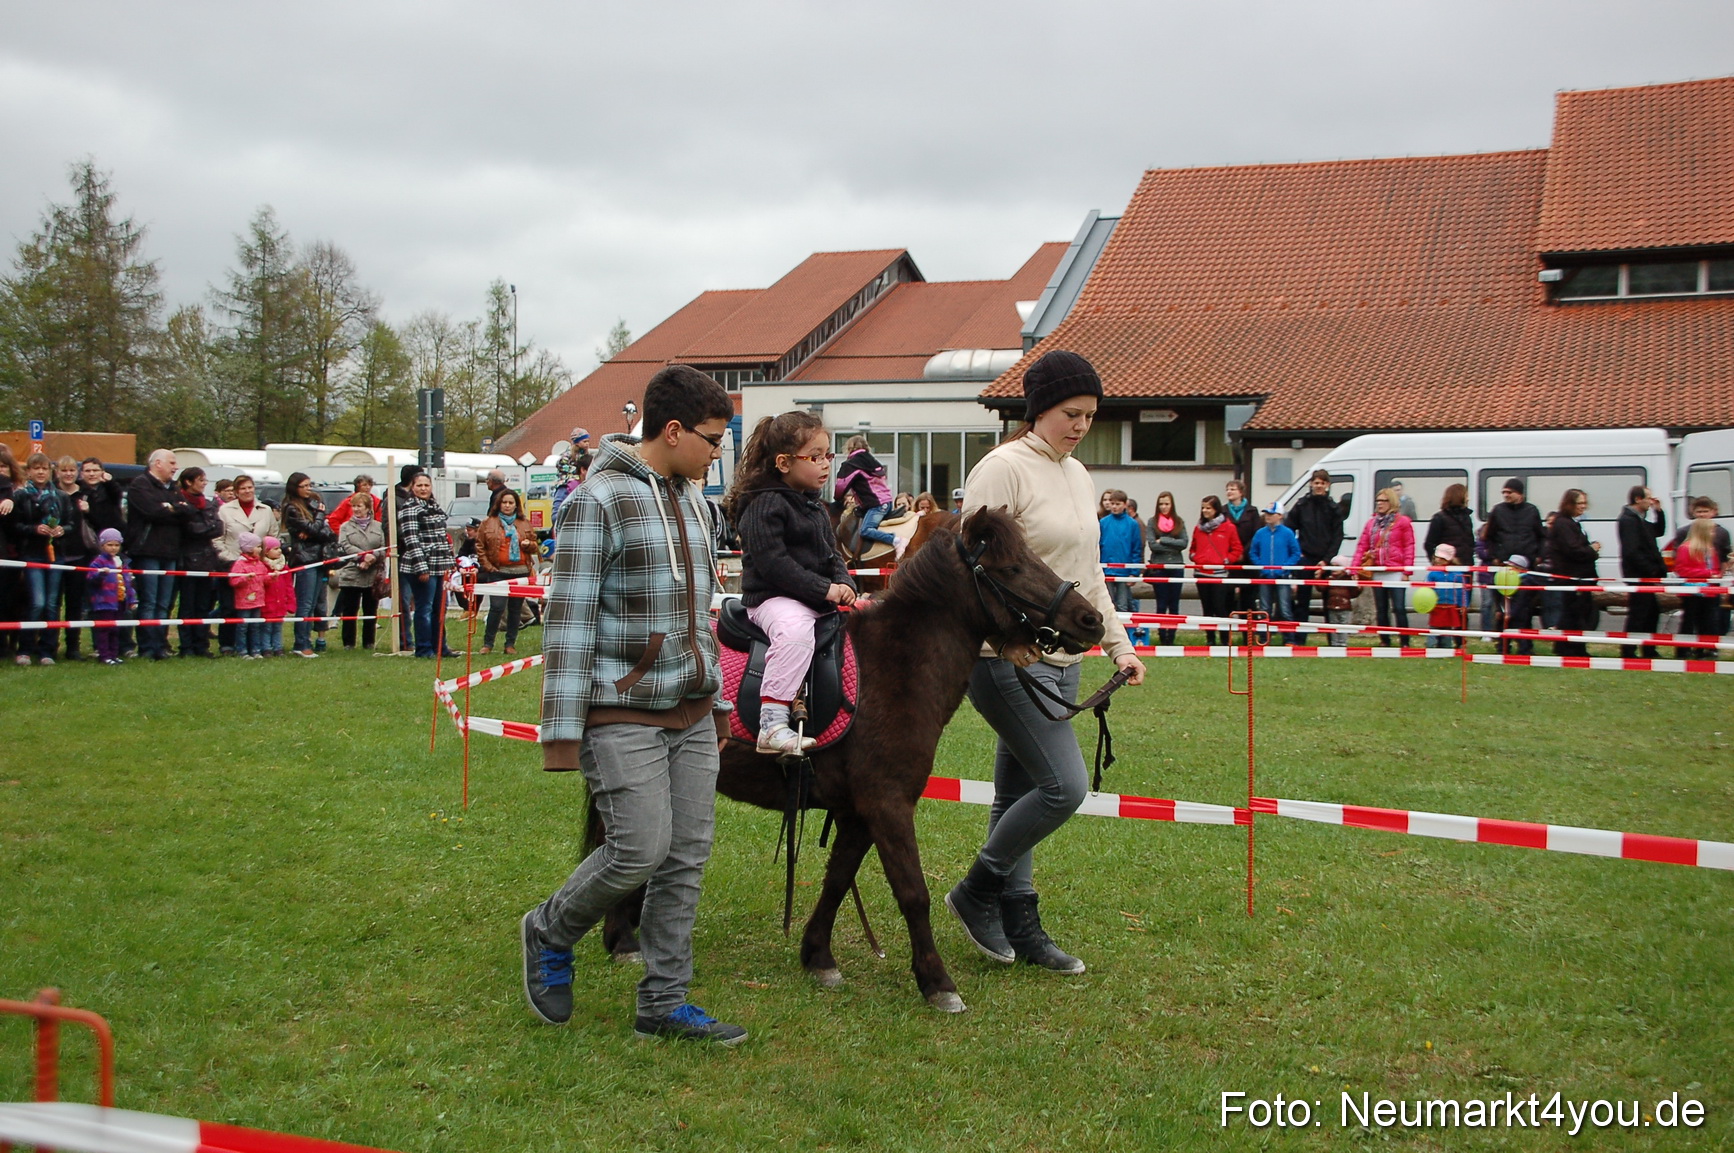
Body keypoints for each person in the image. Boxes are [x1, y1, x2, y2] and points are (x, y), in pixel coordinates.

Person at [524, 364, 744, 1044]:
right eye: (712, 439)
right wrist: (562, 734)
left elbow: (700, 614)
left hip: (693, 710)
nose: (718, 453)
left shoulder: (695, 503)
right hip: (619, 710)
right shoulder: (598, 501)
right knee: (637, 849)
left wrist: (717, 706)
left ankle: (663, 1002)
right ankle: (549, 928)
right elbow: (568, 622)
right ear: (672, 430)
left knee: (685, 855)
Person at [946, 349, 1145, 976]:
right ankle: (978, 890)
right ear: (1038, 409)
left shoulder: (1079, 474)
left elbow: (1089, 575)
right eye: (1070, 412)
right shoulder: (1001, 470)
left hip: (1064, 656)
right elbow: (963, 569)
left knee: (1020, 791)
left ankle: (1020, 920)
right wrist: (1002, 643)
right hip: (1003, 658)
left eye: (1090, 414)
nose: (1081, 424)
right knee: (1064, 788)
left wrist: (1119, 644)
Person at [728, 411, 858, 754]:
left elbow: (833, 554)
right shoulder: (763, 503)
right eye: (814, 457)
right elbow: (775, 565)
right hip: (773, 598)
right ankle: (771, 724)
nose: (825, 464)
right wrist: (824, 590)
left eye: (827, 455)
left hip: (811, 597)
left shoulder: (814, 508)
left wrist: (845, 584)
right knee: (795, 632)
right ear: (784, 462)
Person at [125, 449, 193, 660]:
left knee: (165, 603)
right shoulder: (140, 485)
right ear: (157, 463)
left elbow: (188, 512)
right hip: (147, 551)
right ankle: (147, 647)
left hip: (170, 551)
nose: (175, 467)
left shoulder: (173, 488)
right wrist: (173, 510)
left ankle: (160, 645)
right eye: (172, 462)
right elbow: (152, 512)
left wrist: (172, 509)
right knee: (149, 601)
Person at [8, 453, 68, 665]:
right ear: (29, 472)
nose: (41, 472)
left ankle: (47, 650)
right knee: (37, 602)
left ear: (50, 471)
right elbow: (14, 526)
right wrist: (35, 529)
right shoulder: (21, 496)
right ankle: (25, 648)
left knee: (52, 604)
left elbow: (71, 524)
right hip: (32, 554)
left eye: (44, 468)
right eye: (36, 468)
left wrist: (62, 529)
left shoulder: (61, 496)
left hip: (56, 555)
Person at [216, 475, 278, 656]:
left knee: (255, 606)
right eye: (242, 488)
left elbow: (272, 536)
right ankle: (227, 644)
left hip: (258, 565)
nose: (247, 491)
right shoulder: (225, 510)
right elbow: (217, 538)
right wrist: (230, 557)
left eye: (250, 487)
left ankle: (254, 647)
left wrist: (265, 558)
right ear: (235, 492)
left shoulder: (265, 510)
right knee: (228, 606)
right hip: (232, 562)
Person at [397, 473, 455, 658]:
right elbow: (411, 540)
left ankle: (440, 646)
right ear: (412, 488)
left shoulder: (435, 506)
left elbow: (442, 536)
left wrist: (450, 563)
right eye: (419, 485)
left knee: (440, 608)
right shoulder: (409, 509)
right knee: (425, 608)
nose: (423, 489)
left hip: (440, 564)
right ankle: (423, 648)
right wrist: (421, 568)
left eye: (426, 485)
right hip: (420, 565)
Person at [280, 473, 335, 657]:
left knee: (314, 604)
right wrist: (318, 518)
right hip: (304, 558)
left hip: (319, 556)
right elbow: (312, 528)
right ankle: (300, 643)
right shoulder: (291, 508)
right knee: (305, 603)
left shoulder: (310, 504)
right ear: (295, 487)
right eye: (304, 486)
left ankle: (307, 640)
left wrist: (314, 528)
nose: (308, 489)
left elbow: (326, 532)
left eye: (309, 485)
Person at [1287, 469, 1345, 640]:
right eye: (1316, 482)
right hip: (1305, 558)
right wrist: (1298, 552)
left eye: (1322, 483)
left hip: (1325, 561)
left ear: (1327, 485)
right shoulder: (1301, 505)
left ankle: (1332, 641)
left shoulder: (1334, 508)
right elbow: (1289, 529)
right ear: (1311, 484)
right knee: (1302, 602)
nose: (1318, 486)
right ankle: (1299, 641)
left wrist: (1326, 561)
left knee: (1330, 602)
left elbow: (1338, 536)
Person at [1482, 477, 1544, 637]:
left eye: (1509, 492)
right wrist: (1495, 555)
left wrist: (1538, 556)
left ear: (1520, 493)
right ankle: (1502, 642)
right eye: (1504, 492)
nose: (1506, 495)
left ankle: (1525, 642)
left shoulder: (1532, 511)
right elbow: (1488, 536)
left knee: (1525, 607)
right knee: (1503, 608)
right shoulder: (1498, 510)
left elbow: (1540, 536)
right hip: (1504, 566)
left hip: (1525, 567)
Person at [1352, 488, 1415, 645]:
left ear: (1392, 502)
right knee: (1381, 608)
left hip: (1395, 570)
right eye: (1378, 501)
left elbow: (1409, 546)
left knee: (1399, 608)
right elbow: (1362, 546)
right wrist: (1354, 567)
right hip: (1377, 570)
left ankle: (1404, 641)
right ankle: (1385, 640)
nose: (1379, 504)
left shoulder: (1403, 522)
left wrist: (1407, 570)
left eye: (1383, 501)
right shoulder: (1371, 523)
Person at [477, 489, 535, 654]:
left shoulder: (524, 523)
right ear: (498, 504)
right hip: (498, 571)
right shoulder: (488, 523)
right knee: (497, 607)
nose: (507, 506)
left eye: (511, 503)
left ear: (516, 505)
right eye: (504, 502)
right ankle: (488, 643)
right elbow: (480, 547)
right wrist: (488, 567)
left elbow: (534, 546)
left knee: (516, 609)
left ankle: (510, 644)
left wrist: (527, 545)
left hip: (520, 572)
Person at [176, 467, 224, 659]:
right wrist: (206, 527)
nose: (204, 483)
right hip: (187, 559)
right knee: (188, 605)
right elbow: (190, 529)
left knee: (204, 605)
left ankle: (201, 645)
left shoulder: (209, 504)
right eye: (201, 480)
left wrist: (205, 527)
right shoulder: (181, 502)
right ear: (189, 482)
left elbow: (218, 527)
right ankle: (186, 646)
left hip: (207, 560)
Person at [1546, 489, 1600, 656]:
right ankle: (1570, 649)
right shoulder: (1564, 524)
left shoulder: (1571, 523)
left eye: (1585, 503)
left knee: (1578, 615)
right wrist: (1592, 550)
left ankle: (1573, 648)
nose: (1583, 507)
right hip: (1571, 578)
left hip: (1578, 578)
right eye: (1580, 503)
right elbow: (1574, 551)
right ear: (1570, 504)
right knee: (1572, 616)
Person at [48, 457, 92, 661]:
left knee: (75, 604)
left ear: (77, 472)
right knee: (53, 603)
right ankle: (50, 645)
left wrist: (89, 511)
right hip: (54, 553)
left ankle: (73, 646)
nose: (68, 474)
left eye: (72, 470)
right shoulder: (50, 494)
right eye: (64, 470)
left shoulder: (86, 493)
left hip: (80, 554)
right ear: (57, 472)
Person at [1616, 485, 1666, 659]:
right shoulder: (1628, 520)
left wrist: (1658, 512)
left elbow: (1658, 531)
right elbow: (1632, 550)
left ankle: (1648, 648)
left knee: (1651, 611)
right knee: (1639, 613)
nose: (1650, 501)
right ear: (1638, 499)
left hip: (1646, 574)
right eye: (1648, 498)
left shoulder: (1640, 519)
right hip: (1638, 574)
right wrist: (1649, 569)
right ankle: (1629, 649)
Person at [333, 491, 386, 650]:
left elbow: (383, 548)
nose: (356, 509)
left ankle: (369, 642)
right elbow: (344, 546)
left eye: (359, 506)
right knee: (350, 610)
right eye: (353, 506)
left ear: (368, 508)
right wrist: (362, 558)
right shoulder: (345, 527)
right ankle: (348, 643)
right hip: (351, 572)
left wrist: (372, 557)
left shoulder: (379, 527)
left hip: (373, 574)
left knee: (370, 609)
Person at [833, 435, 899, 558]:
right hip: (887, 502)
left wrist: (837, 498)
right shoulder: (873, 462)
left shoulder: (852, 464)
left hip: (876, 505)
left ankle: (895, 540)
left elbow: (841, 487)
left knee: (865, 530)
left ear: (849, 448)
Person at [1191, 495, 1243, 645]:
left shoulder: (1228, 527)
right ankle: (1210, 640)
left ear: (1216, 509)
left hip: (1219, 575)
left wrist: (1226, 560)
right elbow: (1193, 547)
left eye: (1208, 508)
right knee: (1207, 610)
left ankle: (1225, 640)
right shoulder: (1198, 528)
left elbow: (1237, 549)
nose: (1205, 511)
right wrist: (1195, 557)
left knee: (1220, 608)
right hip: (1201, 573)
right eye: (1203, 508)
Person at [1672, 519, 1724, 659]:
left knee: (1707, 622)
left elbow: (1714, 568)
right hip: (1692, 591)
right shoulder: (1685, 548)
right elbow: (1681, 570)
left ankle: (1703, 649)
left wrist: (1716, 575)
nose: (1714, 534)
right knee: (1688, 621)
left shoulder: (1711, 549)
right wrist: (1707, 574)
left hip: (1709, 591)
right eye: (1711, 531)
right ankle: (1683, 650)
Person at [86, 528, 135, 665]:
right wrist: (101, 574)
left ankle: (114, 654)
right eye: (110, 545)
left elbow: (128, 582)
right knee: (105, 630)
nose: (113, 548)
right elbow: (91, 579)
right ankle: (104, 655)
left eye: (116, 545)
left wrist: (132, 598)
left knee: (116, 629)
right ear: (102, 545)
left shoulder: (121, 562)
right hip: (104, 602)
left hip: (120, 601)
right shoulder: (99, 562)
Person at [1145, 491, 1187, 644]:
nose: (1164, 507)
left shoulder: (1179, 522)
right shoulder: (1152, 522)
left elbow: (1183, 543)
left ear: (1172, 505)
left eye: (1167, 504)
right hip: (1159, 567)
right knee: (1161, 604)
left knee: (1174, 604)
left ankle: (1172, 637)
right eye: (1161, 504)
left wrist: (1163, 539)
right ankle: (1163, 637)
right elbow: (1152, 545)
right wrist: (1170, 545)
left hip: (1176, 566)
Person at [1249, 502, 1300, 622]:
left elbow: (1295, 553)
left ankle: (1289, 639)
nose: (1268, 516)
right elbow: (1253, 552)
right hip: (1265, 576)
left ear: (1280, 515)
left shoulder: (1287, 533)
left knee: (1285, 609)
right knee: (1264, 609)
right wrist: (1261, 566)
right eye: (1266, 513)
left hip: (1282, 576)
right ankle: (1264, 638)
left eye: (1271, 514)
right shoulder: (1260, 533)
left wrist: (1285, 567)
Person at [1097, 488, 1144, 614]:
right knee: (1108, 606)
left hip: (1124, 572)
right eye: (1112, 504)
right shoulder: (1103, 522)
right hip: (1106, 570)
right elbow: (1098, 546)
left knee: (1123, 606)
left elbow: (1136, 548)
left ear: (1125, 504)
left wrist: (1134, 572)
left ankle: (1125, 632)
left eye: (1118, 504)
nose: (1114, 507)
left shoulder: (1132, 524)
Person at [228, 532, 270, 659]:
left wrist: (272, 577)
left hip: (258, 601)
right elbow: (233, 581)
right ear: (249, 548)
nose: (260, 549)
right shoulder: (239, 564)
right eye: (258, 547)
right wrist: (245, 578)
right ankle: (242, 650)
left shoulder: (259, 564)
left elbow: (264, 579)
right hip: (244, 602)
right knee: (243, 627)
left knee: (255, 626)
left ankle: (255, 650)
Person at [1223, 479, 1261, 616]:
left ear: (1241, 492)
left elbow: (1256, 535)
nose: (1229, 492)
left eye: (1232, 489)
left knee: (1248, 602)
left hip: (1248, 561)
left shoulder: (1252, 511)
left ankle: (1248, 635)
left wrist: (1243, 552)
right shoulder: (1223, 512)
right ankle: (1228, 635)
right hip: (1230, 561)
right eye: (1227, 489)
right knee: (1228, 600)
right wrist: (1233, 554)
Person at [1425, 544, 1469, 648]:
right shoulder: (1432, 574)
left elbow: (1462, 591)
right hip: (1436, 606)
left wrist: (1463, 604)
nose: (1438, 560)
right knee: (1433, 628)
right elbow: (1427, 590)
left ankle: (1446, 647)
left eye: (1442, 558)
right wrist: (1426, 604)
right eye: (1437, 557)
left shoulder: (1457, 574)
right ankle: (1431, 646)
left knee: (1447, 628)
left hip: (1450, 606)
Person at [261, 536, 293, 657]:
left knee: (278, 628)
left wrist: (290, 602)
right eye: (275, 548)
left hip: (280, 605)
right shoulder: (263, 567)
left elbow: (289, 586)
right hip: (268, 604)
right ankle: (266, 648)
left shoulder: (284, 567)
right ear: (266, 551)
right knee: (266, 628)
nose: (279, 551)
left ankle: (278, 648)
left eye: (279, 548)